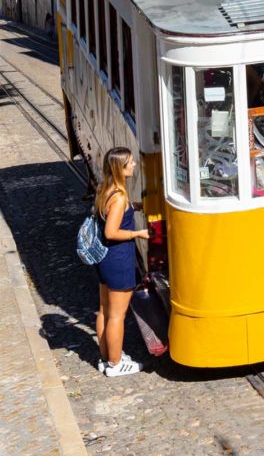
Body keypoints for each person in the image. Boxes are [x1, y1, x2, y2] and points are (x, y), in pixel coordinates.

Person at [93, 148, 149, 377]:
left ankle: (106, 358)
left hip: (105, 260)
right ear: (120, 168)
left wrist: (133, 207)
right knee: (117, 315)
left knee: (105, 310)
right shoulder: (119, 197)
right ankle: (116, 365)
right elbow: (111, 232)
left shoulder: (104, 189)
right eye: (130, 162)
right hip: (118, 260)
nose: (134, 164)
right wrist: (138, 233)